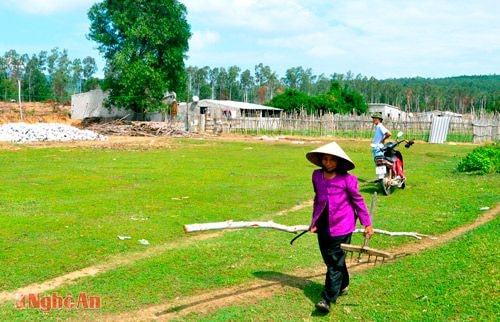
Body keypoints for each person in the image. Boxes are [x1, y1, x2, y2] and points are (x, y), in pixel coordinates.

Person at [306, 142, 374, 313]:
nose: (327, 163)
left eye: (331, 160)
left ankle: (327, 298)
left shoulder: (348, 179)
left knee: (334, 262)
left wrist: (367, 223)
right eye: (325, 159)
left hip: (342, 225)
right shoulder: (316, 176)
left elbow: (358, 201)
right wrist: (314, 222)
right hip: (323, 225)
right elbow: (318, 199)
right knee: (331, 260)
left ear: (338, 162)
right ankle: (343, 285)